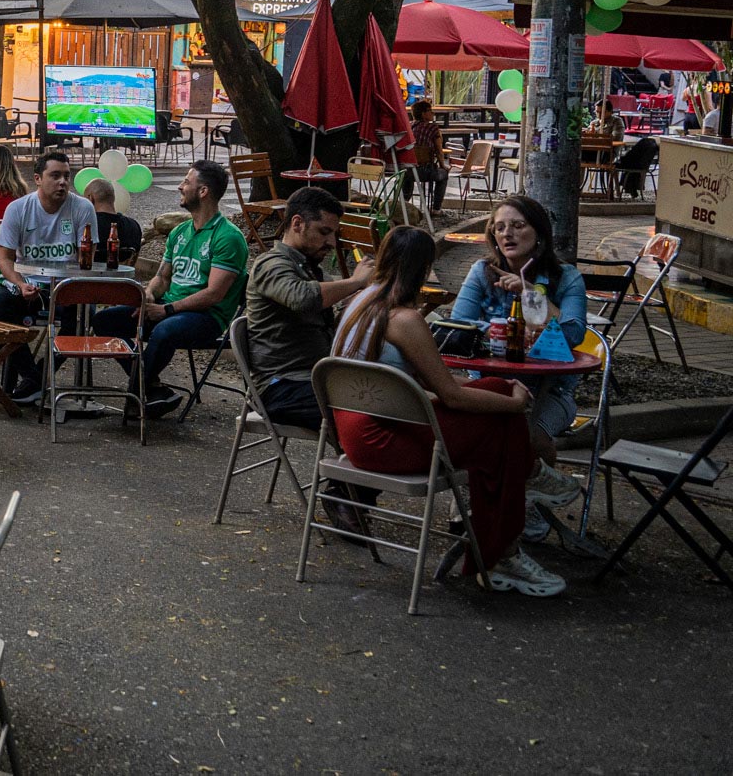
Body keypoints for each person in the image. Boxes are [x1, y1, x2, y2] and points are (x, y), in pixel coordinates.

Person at [331, 227, 574, 596]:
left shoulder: (361, 301)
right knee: (502, 429)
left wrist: (498, 392)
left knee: (494, 395)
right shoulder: (404, 320)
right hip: (385, 442)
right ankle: (503, 545)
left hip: (353, 430)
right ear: (423, 268)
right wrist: (512, 403)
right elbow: (450, 396)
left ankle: (506, 540)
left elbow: (430, 384)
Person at [449, 195, 589, 525]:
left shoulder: (566, 278)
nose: (507, 233)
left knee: (527, 435)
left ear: (538, 233)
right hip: (487, 386)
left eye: (517, 225)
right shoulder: (481, 273)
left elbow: (574, 334)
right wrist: (500, 329)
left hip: (550, 391)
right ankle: (482, 507)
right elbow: (458, 327)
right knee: (481, 432)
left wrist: (531, 294)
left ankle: (531, 511)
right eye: (500, 228)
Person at [92, 161, 248, 418]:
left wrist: (166, 310)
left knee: (164, 330)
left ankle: (137, 391)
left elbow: (214, 295)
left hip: (206, 317)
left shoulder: (227, 237)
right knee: (104, 321)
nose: (180, 186)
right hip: (169, 308)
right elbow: (162, 277)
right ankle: (150, 388)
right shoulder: (180, 232)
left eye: (186, 182)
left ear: (203, 191)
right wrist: (150, 294)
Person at [242, 187, 376, 433]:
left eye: (334, 233)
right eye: (324, 232)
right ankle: (350, 469)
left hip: (312, 379)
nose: (331, 242)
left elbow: (326, 296)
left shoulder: (308, 265)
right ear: (297, 223)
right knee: (372, 410)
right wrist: (355, 283)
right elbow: (302, 298)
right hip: (281, 388)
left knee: (385, 395)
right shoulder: (270, 264)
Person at [0, 151, 98, 401]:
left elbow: (88, 258)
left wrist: (71, 286)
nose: (62, 182)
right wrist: (19, 284)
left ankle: (36, 377)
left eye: (66, 176)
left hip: (67, 287)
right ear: (38, 178)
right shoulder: (18, 209)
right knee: (0, 305)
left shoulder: (82, 208)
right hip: (29, 285)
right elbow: (4, 259)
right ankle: (33, 377)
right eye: (55, 176)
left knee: (84, 317)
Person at [81, 179, 142, 267]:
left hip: (90, 278)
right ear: (113, 198)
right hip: (122, 279)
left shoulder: (86, 228)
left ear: (91, 199)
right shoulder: (134, 226)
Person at [409, 99, 447, 213]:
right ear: (423, 114)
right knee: (443, 175)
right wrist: (443, 166)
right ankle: (436, 208)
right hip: (425, 171)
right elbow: (439, 151)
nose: (433, 113)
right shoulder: (432, 128)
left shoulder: (409, 127)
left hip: (407, 171)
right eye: (430, 111)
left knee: (409, 172)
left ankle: (405, 201)